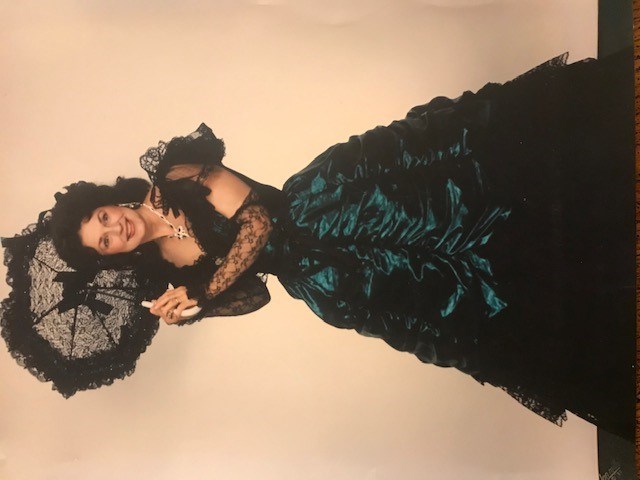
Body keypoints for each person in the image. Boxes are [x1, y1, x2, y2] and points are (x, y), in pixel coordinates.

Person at [46, 48, 634, 440]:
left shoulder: (174, 173)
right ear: (111, 257)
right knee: (461, 302)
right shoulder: (167, 267)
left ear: (111, 200)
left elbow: (258, 222)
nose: (114, 230)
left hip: (334, 205)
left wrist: (204, 288)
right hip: (331, 282)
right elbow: (256, 295)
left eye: (104, 218)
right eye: (104, 242)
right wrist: (196, 309)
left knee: (466, 202)